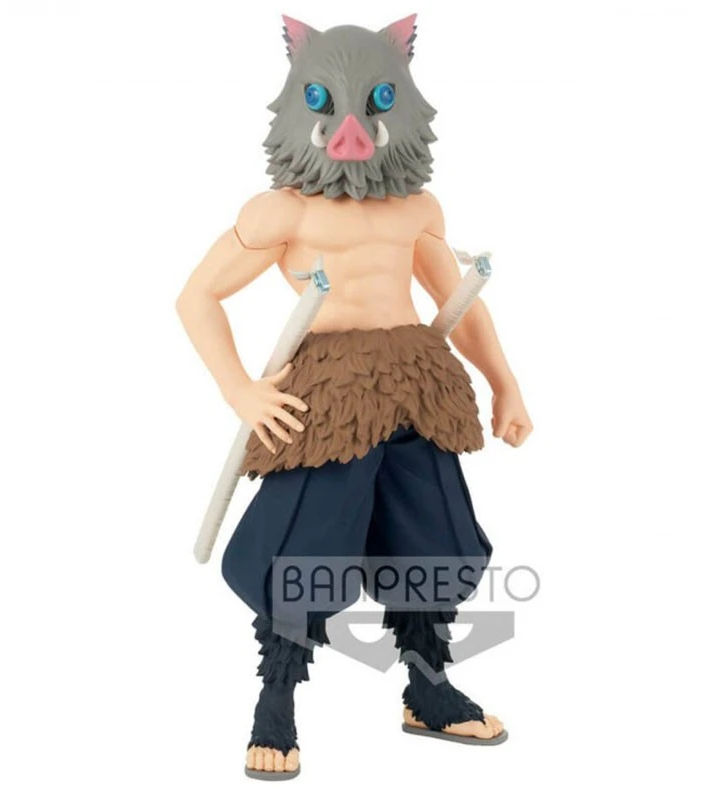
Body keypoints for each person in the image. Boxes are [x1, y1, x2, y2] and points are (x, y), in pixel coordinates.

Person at [176, 15, 533, 781]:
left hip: (418, 381)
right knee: (305, 544)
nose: (350, 126)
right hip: (332, 395)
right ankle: (276, 699)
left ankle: (428, 688)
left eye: (371, 101)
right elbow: (198, 296)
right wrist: (240, 389)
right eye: (326, 101)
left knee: (432, 539)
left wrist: (505, 383)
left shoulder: (417, 208)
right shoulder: (284, 210)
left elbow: (459, 301)